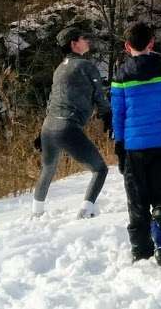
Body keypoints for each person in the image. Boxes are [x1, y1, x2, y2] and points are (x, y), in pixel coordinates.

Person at [111, 22, 161, 272]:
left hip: (134, 146)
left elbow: (118, 114)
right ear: (152, 43)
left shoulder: (121, 75)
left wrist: (119, 145)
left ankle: (141, 250)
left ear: (126, 46)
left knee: (137, 199)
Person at [32, 22, 111, 220]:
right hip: (68, 127)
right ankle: (86, 210)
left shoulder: (59, 69)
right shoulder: (86, 66)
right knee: (100, 169)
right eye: (83, 39)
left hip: (48, 126)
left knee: (48, 169)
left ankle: (36, 213)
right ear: (74, 44)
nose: (87, 41)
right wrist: (107, 116)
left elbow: (53, 99)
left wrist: (40, 134)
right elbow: (99, 96)